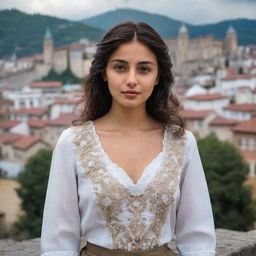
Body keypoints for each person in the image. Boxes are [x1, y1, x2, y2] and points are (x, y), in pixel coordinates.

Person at [41, 21, 216, 256]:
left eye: (144, 69)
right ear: (104, 73)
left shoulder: (182, 143)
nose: (132, 79)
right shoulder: (72, 143)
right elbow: (57, 243)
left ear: (157, 76)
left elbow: (198, 239)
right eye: (120, 68)